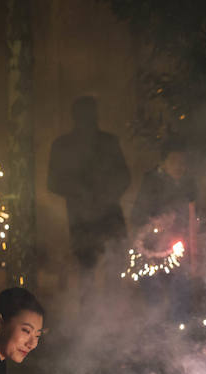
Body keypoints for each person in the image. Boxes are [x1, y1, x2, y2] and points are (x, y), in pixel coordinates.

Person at [48, 96, 130, 297]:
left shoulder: (108, 142)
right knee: (87, 270)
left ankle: (110, 312)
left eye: (91, 114)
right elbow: (53, 182)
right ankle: (90, 318)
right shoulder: (62, 145)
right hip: (81, 216)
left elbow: (124, 176)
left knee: (114, 264)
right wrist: (80, 192)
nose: (88, 119)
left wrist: (107, 195)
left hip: (108, 213)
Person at [130, 137, 197, 321]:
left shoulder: (188, 182)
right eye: (174, 161)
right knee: (152, 286)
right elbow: (136, 215)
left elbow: (193, 215)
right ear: (164, 162)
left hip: (178, 245)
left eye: (183, 162)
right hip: (151, 247)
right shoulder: (151, 181)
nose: (179, 166)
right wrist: (154, 221)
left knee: (181, 282)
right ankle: (156, 326)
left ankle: (180, 327)